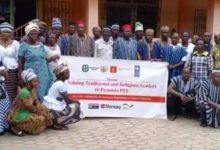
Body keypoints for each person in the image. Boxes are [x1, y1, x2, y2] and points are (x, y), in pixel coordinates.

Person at [8, 69, 52, 136]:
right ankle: (16, 127)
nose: (37, 83)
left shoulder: (33, 89)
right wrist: (39, 112)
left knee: (43, 107)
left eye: (37, 81)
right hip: (20, 113)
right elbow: (29, 107)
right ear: (28, 82)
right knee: (40, 119)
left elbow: (36, 100)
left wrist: (39, 107)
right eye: (35, 82)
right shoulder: (24, 92)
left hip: (29, 110)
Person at [18, 22, 53, 103]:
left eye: (36, 33)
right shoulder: (23, 46)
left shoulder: (41, 45)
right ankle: (33, 112)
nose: (34, 35)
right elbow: (20, 63)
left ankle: (41, 111)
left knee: (43, 93)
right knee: (33, 93)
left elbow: (44, 59)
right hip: (31, 74)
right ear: (27, 35)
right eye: (32, 33)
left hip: (43, 74)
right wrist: (20, 76)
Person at [43, 63, 82, 130]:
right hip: (52, 107)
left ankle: (53, 122)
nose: (68, 74)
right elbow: (68, 100)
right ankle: (57, 124)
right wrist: (77, 101)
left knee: (64, 105)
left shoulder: (56, 82)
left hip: (49, 106)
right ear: (61, 74)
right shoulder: (60, 84)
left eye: (68, 72)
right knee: (75, 106)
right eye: (66, 73)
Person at [0, 22, 20, 102]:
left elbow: (18, 58)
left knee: (11, 91)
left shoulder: (15, 43)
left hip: (12, 71)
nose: (6, 34)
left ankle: (11, 111)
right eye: (4, 32)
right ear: (0, 32)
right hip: (0, 70)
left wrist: (19, 72)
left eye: (8, 32)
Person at [0, 66, 10, 135]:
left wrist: (5, 73)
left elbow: (6, 78)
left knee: (6, 109)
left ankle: (6, 126)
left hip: (3, 92)